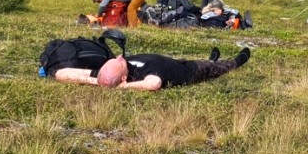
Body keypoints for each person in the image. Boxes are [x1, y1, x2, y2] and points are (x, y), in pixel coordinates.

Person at [65, 48, 250, 90]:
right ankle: (236, 62)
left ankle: (211, 59)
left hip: (176, 62)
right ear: (123, 79)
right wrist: (123, 87)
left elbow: (64, 73)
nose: (120, 57)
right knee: (214, 68)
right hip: (190, 71)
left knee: (207, 62)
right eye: (119, 62)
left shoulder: (109, 72)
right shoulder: (146, 76)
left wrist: (95, 80)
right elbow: (154, 84)